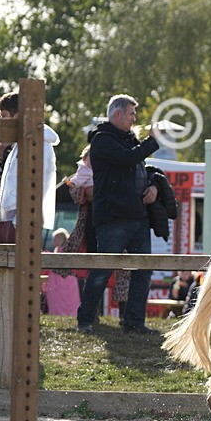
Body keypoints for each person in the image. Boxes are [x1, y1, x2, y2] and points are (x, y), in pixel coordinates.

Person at [76, 95, 161, 335]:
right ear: (118, 114)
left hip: (137, 216)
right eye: (131, 114)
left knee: (143, 269)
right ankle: (85, 319)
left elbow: (142, 167)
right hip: (114, 216)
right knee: (103, 269)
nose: (134, 119)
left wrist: (154, 186)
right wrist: (152, 142)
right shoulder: (102, 140)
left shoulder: (127, 139)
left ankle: (134, 322)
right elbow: (128, 159)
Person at [0, 89, 60, 245]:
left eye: (4, 116)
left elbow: (40, 185)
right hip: (9, 217)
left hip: (22, 220)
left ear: (17, 115)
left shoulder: (41, 145)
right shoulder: (20, 144)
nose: (1, 122)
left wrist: (19, 221)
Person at [44, 227, 81, 316]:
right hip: (69, 280)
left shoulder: (60, 251)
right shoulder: (65, 249)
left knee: (57, 298)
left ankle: (58, 313)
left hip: (59, 280)